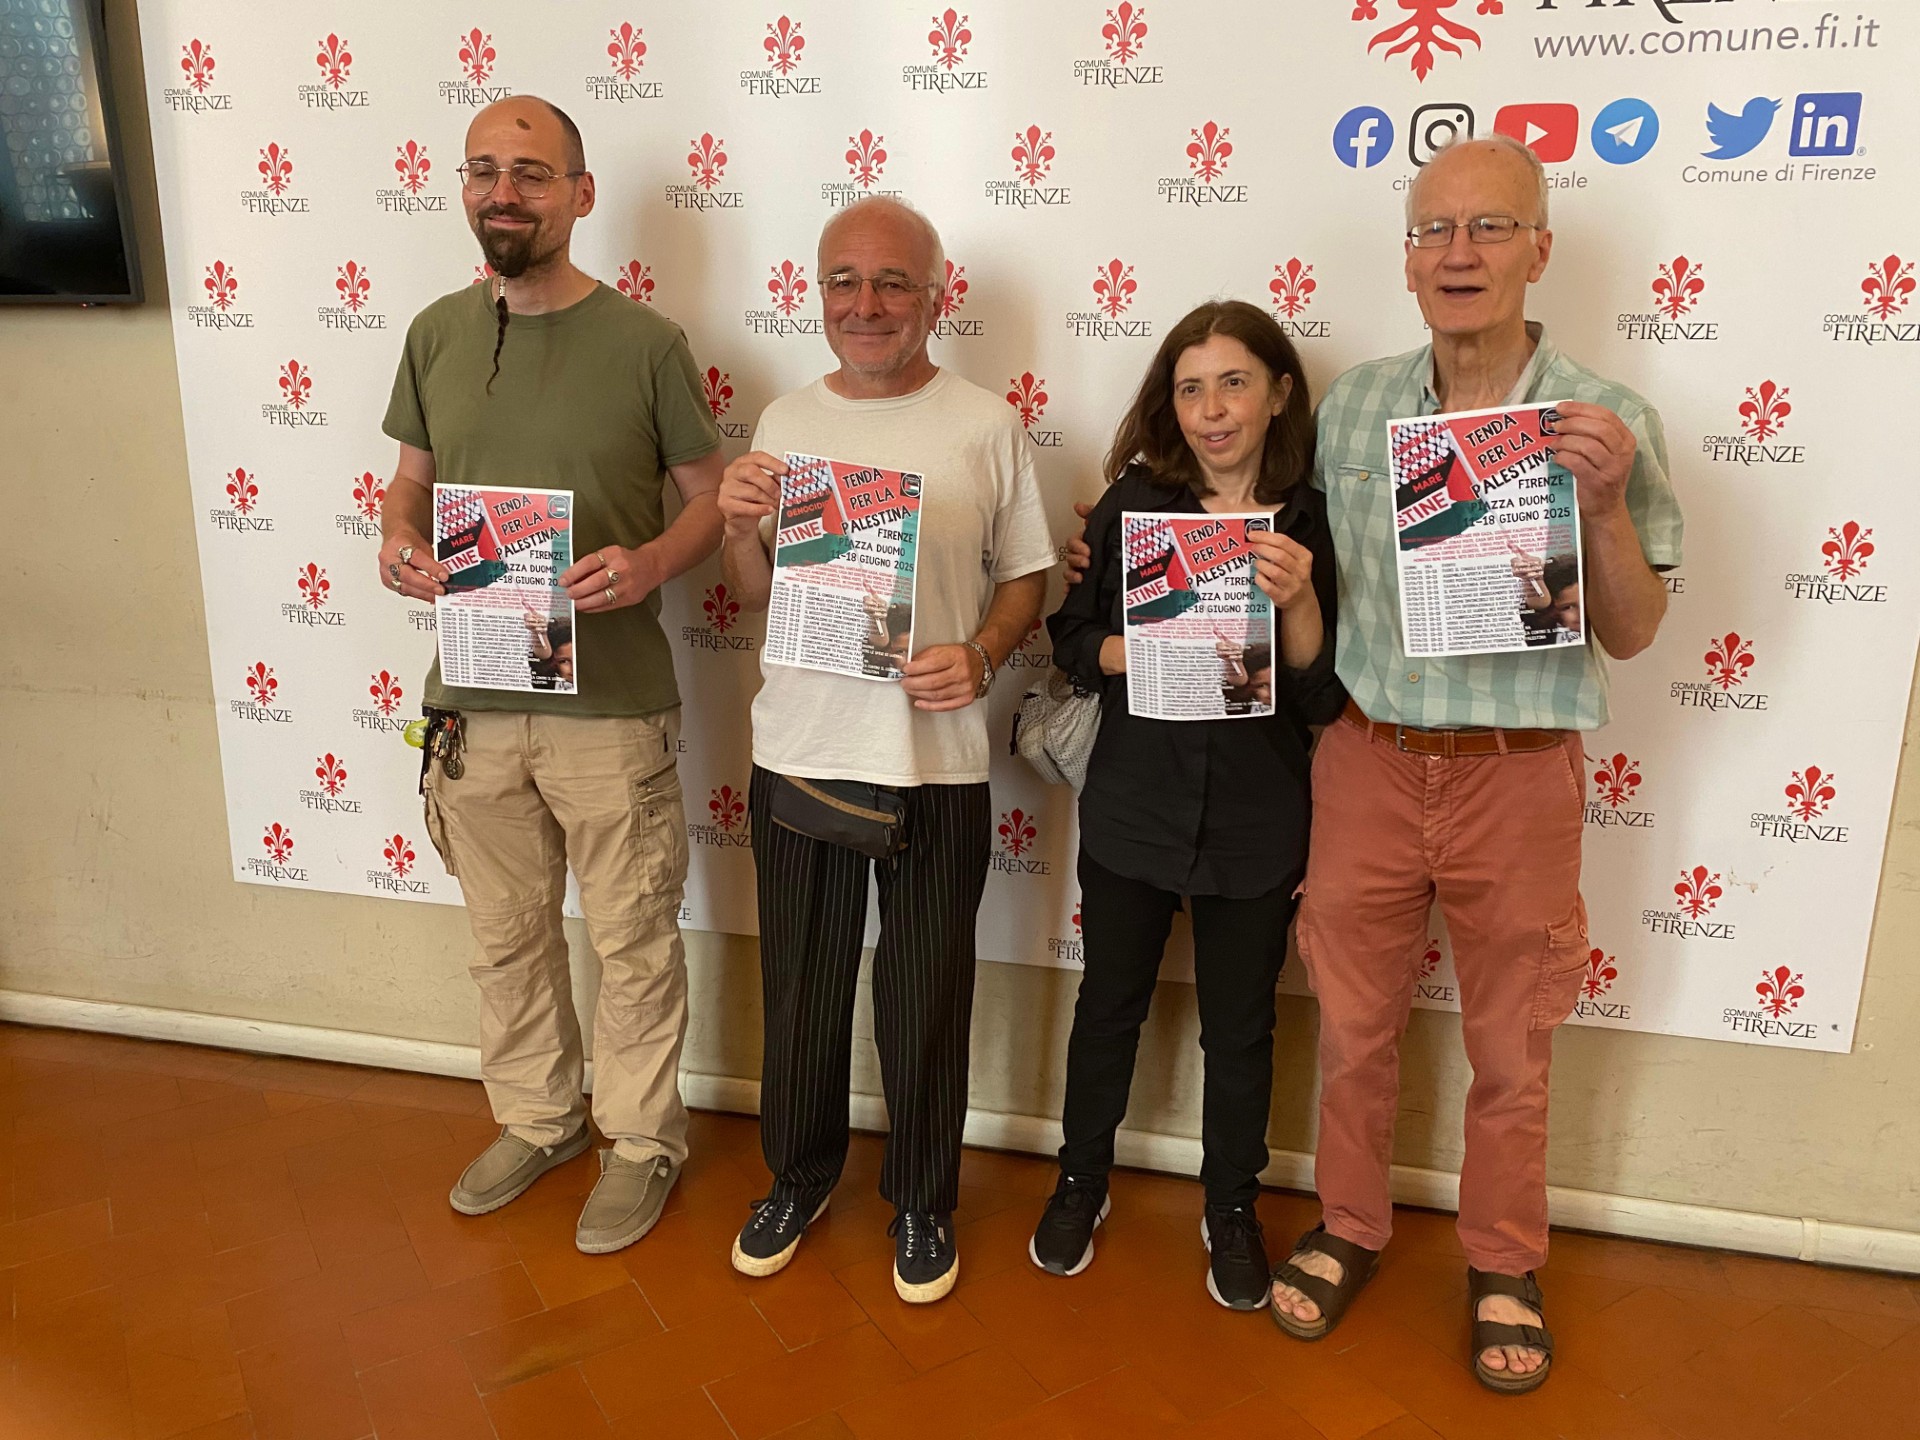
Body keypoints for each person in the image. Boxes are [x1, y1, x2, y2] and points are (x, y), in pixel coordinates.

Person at [1262, 134, 1683, 1392]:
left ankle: (1504, 1261)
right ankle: (1351, 1224)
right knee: (1353, 1031)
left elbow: (1635, 630)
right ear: (1406, 260)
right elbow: (1308, 577)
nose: (1459, 252)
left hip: (1519, 771)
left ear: (1539, 249)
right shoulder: (1354, 406)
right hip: (1370, 760)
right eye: (1434, 229)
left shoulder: (1608, 422)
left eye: (1490, 227)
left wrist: (1599, 511)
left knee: (1513, 1049)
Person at [377, 96, 725, 1253]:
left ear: (580, 194)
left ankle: (642, 1140)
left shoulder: (647, 345)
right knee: (506, 936)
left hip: (610, 711)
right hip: (473, 701)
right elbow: (410, 480)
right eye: (484, 169)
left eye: (531, 172)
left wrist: (651, 563)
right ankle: (538, 1119)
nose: (503, 192)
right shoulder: (434, 332)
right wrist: (397, 538)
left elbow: (710, 502)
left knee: (632, 940)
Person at [715, 196, 1053, 1304]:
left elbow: (1029, 577)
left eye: (893, 282)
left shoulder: (986, 425)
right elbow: (753, 592)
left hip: (937, 760)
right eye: (844, 282)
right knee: (802, 993)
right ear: (818, 294)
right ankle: (797, 1178)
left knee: (925, 1000)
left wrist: (985, 654)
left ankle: (920, 1201)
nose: (866, 304)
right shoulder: (782, 419)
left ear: (936, 296)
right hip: (802, 750)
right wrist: (738, 526)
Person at [1035, 302, 1342, 1310]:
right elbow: (1070, 639)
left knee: (1241, 1031)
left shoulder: (1311, 518)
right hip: (1135, 804)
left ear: (1279, 393)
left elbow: (1320, 699)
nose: (1212, 410)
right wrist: (1130, 650)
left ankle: (1232, 1208)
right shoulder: (1134, 507)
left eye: (1234, 383)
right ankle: (1081, 1182)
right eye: (1190, 388)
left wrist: (1299, 602)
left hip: (1257, 817)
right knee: (1108, 1008)